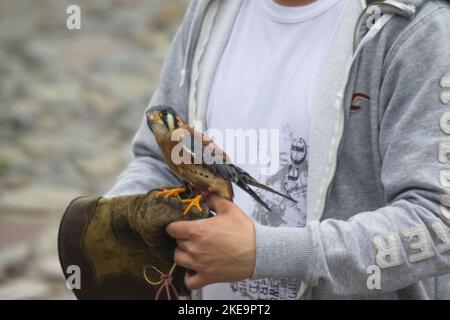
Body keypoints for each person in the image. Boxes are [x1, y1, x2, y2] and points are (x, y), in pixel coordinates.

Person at [105, 0, 450, 299]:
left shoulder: (415, 27)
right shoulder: (212, 10)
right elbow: (158, 159)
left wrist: (266, 253)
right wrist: (116, 222)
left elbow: (438, 223)